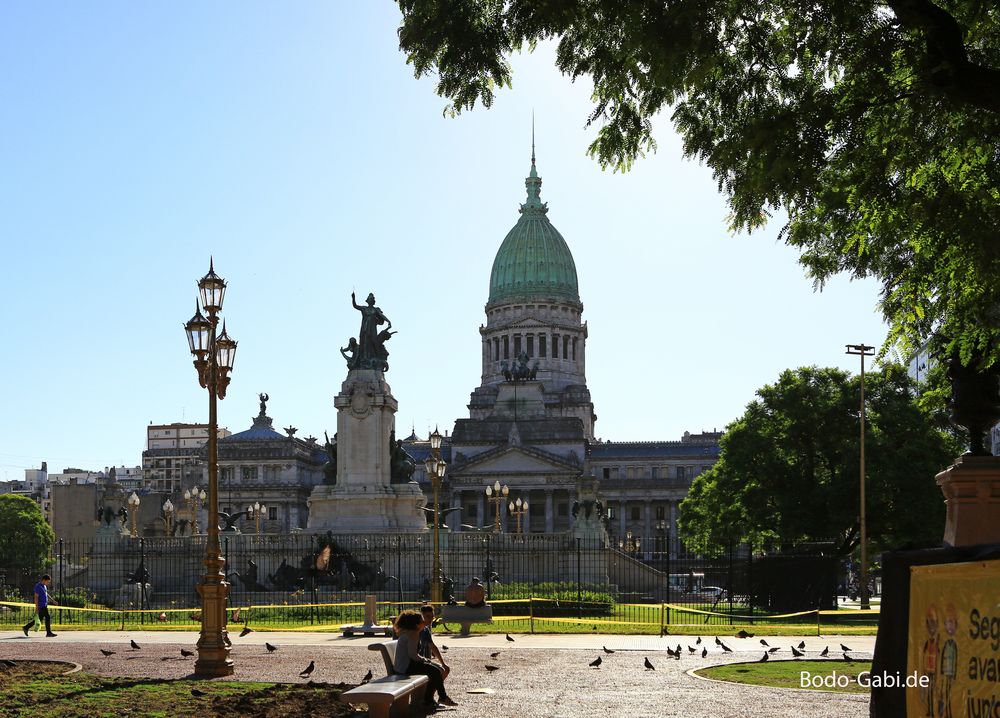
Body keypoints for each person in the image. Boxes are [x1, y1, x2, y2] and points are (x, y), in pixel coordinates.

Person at [393, 609, 454, 711]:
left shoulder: (409, 633)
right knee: (435, 671)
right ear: (417, 625)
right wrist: (425, 660)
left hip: (405, 665)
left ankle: (434, 699)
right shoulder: (413, 634)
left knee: (436, 670)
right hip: (406, 667)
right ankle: (434, 699)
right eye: (422, 621)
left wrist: (426, 661)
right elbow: (412, 655)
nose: (424, 622)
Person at [418, 605, 457, 706]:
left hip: (421, 661)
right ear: (421, 616)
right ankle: (433, 698)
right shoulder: (416, 629)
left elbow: (433, 647)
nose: (431, 619)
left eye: (432, 616)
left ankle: (432, 696)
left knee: (444, 669)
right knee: (437, 671)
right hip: (416, 662)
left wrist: (443, 663)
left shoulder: (425, 629)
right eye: (427, 616)